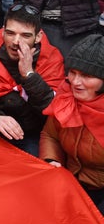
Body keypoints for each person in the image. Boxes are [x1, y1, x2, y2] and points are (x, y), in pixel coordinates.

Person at [0, 4, 64, 156]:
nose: (16, 41)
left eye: (25, 35)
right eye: (10, 33)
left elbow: (54, 109)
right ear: (2, 31)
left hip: (32, 133)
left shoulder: (52, 59)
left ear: (38, 36)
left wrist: (29, 75)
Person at [40, 34, 104, 214]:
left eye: (87, 76)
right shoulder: (66, 97)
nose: (75, 82)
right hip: (71, 181)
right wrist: (52, 160)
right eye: (73, 72)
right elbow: (50, 135)